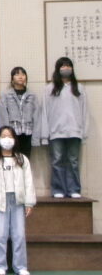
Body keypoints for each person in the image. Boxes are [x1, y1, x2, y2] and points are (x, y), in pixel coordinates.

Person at [0, 127, 36, 275]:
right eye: (4, 136)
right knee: (0, 234)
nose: (7, 139)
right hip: (0, 201)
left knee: (19, 234)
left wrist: (29, 202)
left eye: (10, 136)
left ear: (14, 139)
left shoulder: (22, 159)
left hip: (18, 200)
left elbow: (29, 182)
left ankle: (20, 266)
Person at [37, 56, 90, 198]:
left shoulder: (79, 88)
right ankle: (58, 189)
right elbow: (44, 112)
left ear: (72, 69)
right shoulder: (49, 89)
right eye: (63, 66)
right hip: (55, 131)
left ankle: (74, 189)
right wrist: (44, 134)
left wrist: (84, 132)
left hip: (75, 131)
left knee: (73, 161)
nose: (66, 68)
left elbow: (85, 111)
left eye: (68, 66)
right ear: (57, 69)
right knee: (57, 161)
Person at [0, 66, 39, 157]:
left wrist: (36, 137)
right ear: (12, 79)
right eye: (17, 74)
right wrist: (5, 135)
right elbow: (2, 116)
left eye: (23, 74)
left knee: (25, 159)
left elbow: (36, 117)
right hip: (12, 133)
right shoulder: (6, 95)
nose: (20, 76)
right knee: (11, 159)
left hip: (28, 133)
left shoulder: (32, 95)